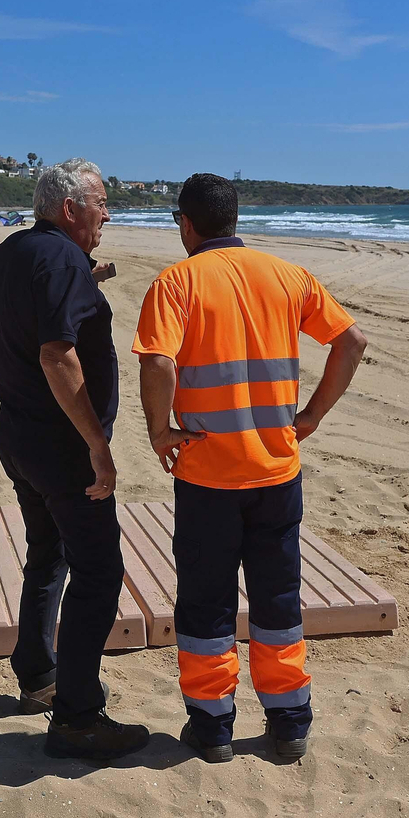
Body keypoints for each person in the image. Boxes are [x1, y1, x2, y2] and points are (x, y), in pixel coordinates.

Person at [133, 173, 368, 764]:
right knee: (278, 599)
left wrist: (160, 431)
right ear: (234, 220)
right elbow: (352, 342)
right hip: (277, 473)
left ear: (186, 225)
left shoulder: (177, 281)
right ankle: (288, 722)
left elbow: (158, 361)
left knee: (207, 602)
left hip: (209, 475)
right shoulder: (287, 275)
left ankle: (212, 729)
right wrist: (311, 415)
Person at [0, 157, 149, 761]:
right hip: (60, 446)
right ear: (71, 208)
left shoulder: (18, 251)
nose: (109, 213)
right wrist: (98, 446)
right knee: (100, 573)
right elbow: (57, 355)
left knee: (48, 553)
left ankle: (37, 674)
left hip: (20, 437)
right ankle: (78, 717)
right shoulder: (59, 260)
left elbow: (42, 310)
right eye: (101, 202)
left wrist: (87, 276)